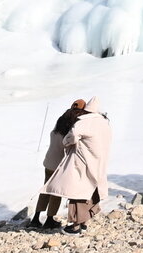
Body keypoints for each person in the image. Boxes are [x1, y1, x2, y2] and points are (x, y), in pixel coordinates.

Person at [42, 97, 112, 233]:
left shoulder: (84, 122)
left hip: (82, 161)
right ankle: (84, 223)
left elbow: (72, 136)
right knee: (91, 191)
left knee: (77, 192)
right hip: (99, 161)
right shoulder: (104, 123)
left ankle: (75, 226)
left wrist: (67, 142)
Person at [31, 100, 87, 229]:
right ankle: (49, 220)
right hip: (59, 164)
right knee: (55, 193)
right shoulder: (74, 123)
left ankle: (36, 218)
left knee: (45, 190)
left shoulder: (61, 119)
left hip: (48, 161)